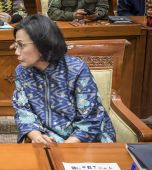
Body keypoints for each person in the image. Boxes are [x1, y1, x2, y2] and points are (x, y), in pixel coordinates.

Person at [12, 15, 116, 144]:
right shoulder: (22, 71)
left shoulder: (76, 69)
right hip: (47, 140)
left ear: (42, 44)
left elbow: (90, 119)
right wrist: (36, 136)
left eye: (21, 45)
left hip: (85, 141)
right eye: (16, 45)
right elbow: (23, 110)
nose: (16, 52)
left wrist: (66, 148)